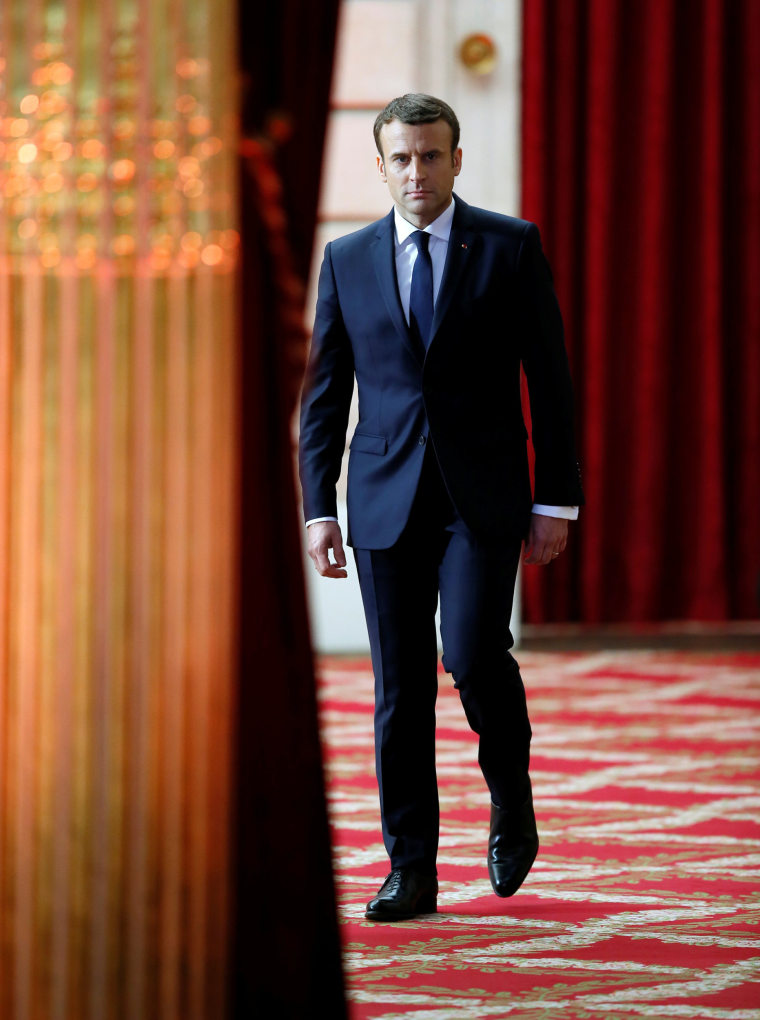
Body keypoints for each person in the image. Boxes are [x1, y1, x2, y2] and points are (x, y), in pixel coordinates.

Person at [299, 94, 584, 922]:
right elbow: (325, 398)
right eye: (402, 158)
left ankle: (511, 795)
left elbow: (552, 383)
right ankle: (410, 870)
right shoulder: (346, 259)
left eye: (431, 156)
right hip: (383, 499)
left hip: (482, 498)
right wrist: (318, 507)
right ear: (380, 166)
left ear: (457, 160)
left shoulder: (510, 246)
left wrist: (556, 499)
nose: (416, 171)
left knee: (471, 654)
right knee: (398, 690)